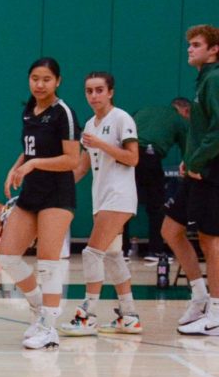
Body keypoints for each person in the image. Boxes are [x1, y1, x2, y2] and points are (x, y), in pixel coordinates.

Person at [0, 57, 80, 350]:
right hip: (32, 191)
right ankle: (37, 306)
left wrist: (35, 165)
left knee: (47, 262)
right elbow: (28, 150)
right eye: (35, 78)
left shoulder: (64, 114)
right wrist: (16, 166)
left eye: (46, 79)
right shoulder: (28, 110)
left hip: (57, 193)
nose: (40, 84)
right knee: (7, 256)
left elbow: (72, 159)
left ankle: (49, 327)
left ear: (58, 81)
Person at [62, 72, 141, 336]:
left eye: (99, 90)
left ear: (110, 92)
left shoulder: (121, 118)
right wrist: (57, 188)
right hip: (101, 196)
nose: (94, 96)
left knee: (91, 252)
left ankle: (88, 314)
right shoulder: (89, 125)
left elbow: (132, 158)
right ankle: (129, 316)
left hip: (120, 195)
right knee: (113, 255)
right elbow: (83, 166)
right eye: (89, 91)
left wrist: (102, 145)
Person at [174, 24, 219, 336]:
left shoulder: (215, 79)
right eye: (189, 44)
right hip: (195, 167)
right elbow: (201, 129)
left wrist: (198, 160)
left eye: (196, 44)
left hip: (210, 170)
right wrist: (188, 157)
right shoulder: (203, 79)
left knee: (211, 240)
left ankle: (216, 311)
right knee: (170, 229)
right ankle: (200, 295)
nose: (190, 49)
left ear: (214, 49)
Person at [130, 98, 190, 260]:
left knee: (125, 203)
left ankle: (122, 250)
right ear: (185, 111)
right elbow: (188, 152)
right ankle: (155, 250)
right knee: (156, 204)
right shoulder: (179, 120)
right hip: (149, 156)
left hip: (127, 155)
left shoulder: (146, 109)